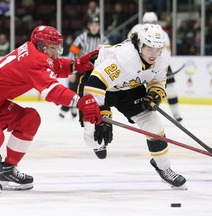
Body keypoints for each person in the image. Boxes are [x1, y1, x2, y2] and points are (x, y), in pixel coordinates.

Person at [0, 25, 101, 196]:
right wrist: (80, 102)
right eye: (53, 48)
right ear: (41, 46)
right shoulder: (35, 60)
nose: (56, 53)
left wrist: (75, 65)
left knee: (30, 118)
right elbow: (52, 90)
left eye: (58, 48)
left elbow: (54, 65)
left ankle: (8, 169)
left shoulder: (34, 52)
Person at [80, 23, 187, 190]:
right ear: (140, 45)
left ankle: (164, 167)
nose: (154, 54)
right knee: (93, 137)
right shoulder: (125, 58)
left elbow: (158, 80)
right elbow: (95, 84)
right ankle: (98, 144)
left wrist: (155, 94)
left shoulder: (162, 57)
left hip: (129, 88)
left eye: (158, 49)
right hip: (101, 88)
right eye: (149, 48)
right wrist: (99, 115)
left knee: (154, 126)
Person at [128, 12, 183, 122]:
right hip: (140, 63)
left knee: (170, 88)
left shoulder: (162, 33)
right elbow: (129, 45)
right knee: (135, 87)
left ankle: (176, 113)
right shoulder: (137, 30)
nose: (150, 24)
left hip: (159, 63)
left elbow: (166, 52)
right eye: (147, 22)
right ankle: (134, 112)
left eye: (152, 22)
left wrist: (163, 66)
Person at [59, 16, 109, 119]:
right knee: (73, 89)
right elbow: (72, 53)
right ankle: (64, 110)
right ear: (88, 26)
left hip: (96, 71)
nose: (94, 27)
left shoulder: (104, 39)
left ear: (99, 26)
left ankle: (76, 110)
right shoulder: (82, 38)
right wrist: (70, 70)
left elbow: (107, 56)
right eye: (92, 25)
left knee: (89, 92)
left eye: (96, 25)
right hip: (80, 69)